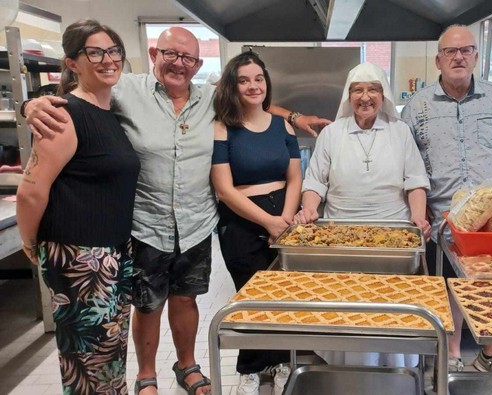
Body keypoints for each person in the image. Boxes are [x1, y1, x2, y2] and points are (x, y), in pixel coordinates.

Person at [23, 27, 330, 395]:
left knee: (186, 299)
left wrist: (294, 117)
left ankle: (187, 366)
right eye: (171, 54)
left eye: (188, 58)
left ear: (198, 64)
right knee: (147, 304)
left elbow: (252, 101)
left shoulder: (209, 99)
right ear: (155, 53)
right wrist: (34, 103)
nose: (179, 64)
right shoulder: (124, 89)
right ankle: (147, 375)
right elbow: (80, 96)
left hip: (196, 221)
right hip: (145, 222)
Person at [16, 19, 140, 394]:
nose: (108, 59)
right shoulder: (65, 113)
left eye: (114, 51)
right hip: (80, 259)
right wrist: (30, 241)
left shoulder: (108, 112)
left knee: (108, 359)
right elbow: (30, 191)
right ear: (72, 63)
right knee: (88, 368)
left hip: (113, 252)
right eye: (95, 52)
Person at [401, 24, 492, 373]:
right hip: (444, 216)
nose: (458, 57)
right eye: (450, 52)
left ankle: (491, 350)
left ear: (476, 56)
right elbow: (406, 160)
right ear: (438, 60)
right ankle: (455, 353)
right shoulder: (417, 106)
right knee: (450, 287)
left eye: (466, 50)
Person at [294, 62, 431, 367]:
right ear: (348, 95)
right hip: (341, 237)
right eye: (358, 89)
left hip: (393, 237)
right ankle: (345, 367)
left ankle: (396, 369)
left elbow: (416, 182)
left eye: (373, 89)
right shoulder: (332, 134)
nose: (365, 97)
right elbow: (315, 180)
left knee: (389, 306)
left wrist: (418, 219)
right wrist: (309, 209)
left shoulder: (400, 131)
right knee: (348, 305)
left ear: (384, 95)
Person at [211, 52, 301, 395]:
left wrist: (285, 220)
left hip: (284, 215)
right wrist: (268, 222)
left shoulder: (283, 125)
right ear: (233, 86)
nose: (253, 86)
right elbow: (223, 187)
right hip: (242, 220)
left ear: (267, 83)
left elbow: (294, 178)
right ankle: (250, 367)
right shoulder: (223, 127)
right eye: (244, 80)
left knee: (282, 296)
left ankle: (280, 361)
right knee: (250, 296)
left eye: (258, 79)